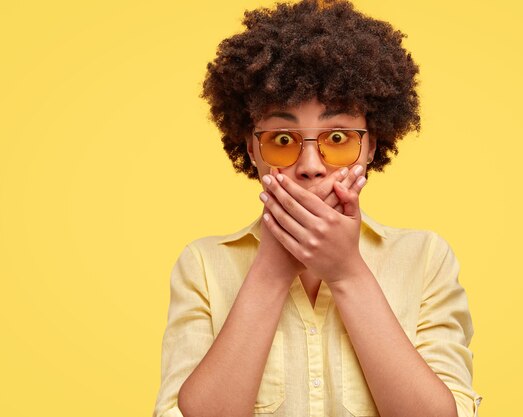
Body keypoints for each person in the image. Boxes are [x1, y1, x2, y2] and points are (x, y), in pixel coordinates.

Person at [152, 1, 482, 416]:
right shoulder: (201, 265)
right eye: (283, 141)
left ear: (371, 147)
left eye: (338, 138)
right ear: (252, 149)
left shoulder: (426, 259)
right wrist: (272, 271)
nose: (309, 167)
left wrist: (347, 273)